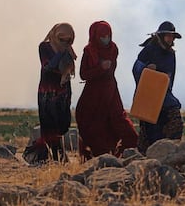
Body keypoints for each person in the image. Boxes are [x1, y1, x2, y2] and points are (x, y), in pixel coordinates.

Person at [75, 20, 138, 160]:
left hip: (110, 92)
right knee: (92, 125)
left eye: (108, 36)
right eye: (102, 37)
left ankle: (122, 156)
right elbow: (83, 74)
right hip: (93, 94)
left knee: (120, 123)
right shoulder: (88, 51)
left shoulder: (113, 49)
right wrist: (100, 68)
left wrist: (105, 69)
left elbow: (110, 71)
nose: (106, 39)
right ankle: (96, 158)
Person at [26, 22, 76, 164]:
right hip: (47, 93)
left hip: (62, 93)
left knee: (62, 125)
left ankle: (56, 157)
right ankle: (48, 158)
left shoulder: (68, 51)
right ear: (55, 35)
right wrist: (61, 53)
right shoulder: (44, 47)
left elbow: (69, 71)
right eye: (62, 39)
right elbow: (47, 66)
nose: (65, 43)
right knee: (49, 127)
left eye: (69, 40)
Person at [132, 21, 183, 153]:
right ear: (161, 36)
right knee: (148, 133)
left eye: (172, 37)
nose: (170, 39)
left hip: (165, 97)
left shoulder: (171, 54)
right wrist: (147, 69)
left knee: (173, 123)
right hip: (148, 97)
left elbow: (170, 78)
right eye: (168, 36)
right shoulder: (149, 50)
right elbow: (136, 69)